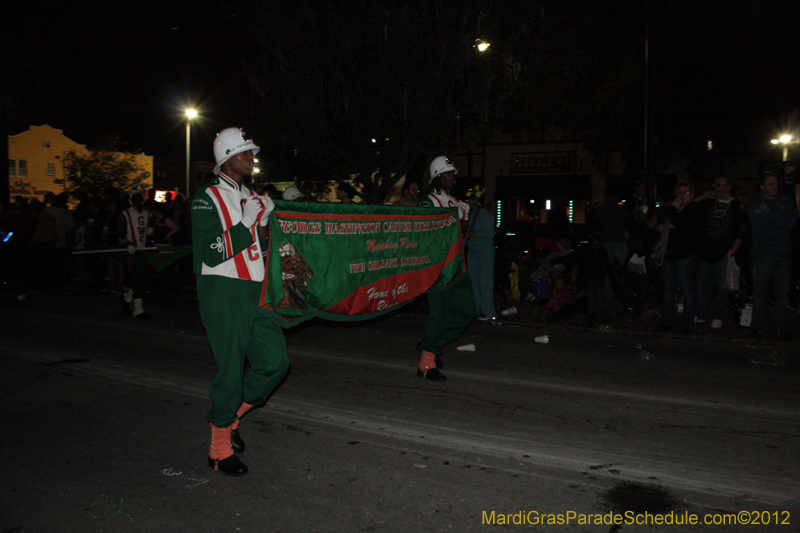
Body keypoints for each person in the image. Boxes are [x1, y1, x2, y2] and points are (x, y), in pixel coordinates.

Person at [191, 127, 288, 476]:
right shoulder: (207, 196)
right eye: (246, 153)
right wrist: (247, 224)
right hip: (224, 291)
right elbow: (210, 253)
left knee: (275, 362)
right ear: (228, 158)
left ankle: (232, 417)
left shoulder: (250, 194)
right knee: (231, 371)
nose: (252, 158)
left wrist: (262, 225)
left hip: (254, 290)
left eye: (251, 152)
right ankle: (219, 448)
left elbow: (257, 251)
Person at [415, 155, 476, 381]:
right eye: (449, 173)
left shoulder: (452, 199)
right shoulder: (428, 201)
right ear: (438, 176)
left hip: (457, 267)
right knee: (438, 317)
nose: (453, 176)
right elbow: (425, 234)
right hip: (438, 269)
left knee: (467, 310)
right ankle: (426, 363)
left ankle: (430, 343)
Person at [746, 172, 797, 339]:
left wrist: (768, 218)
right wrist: (777, 219)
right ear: (762, 187)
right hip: (762, 253)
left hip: (783, 253)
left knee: (782, 295)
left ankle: (780, 327)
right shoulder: (754, 201)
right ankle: (757, 327)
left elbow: (791, 222)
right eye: (771, 184)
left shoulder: (786, 201)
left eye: (776, 184)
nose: (775, 187)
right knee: (759, 293)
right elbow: (755, 220)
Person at [694, 176, 746, 330]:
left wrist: (735, 247)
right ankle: (701, 313)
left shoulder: (736, 206)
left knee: (723, 288)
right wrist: (703, 196)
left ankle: (717, 315)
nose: (716, 188)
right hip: (706, 252)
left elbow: (741, 229)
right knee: (702, 285)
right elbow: (691, 208)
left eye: (719, 185)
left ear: (728, 187)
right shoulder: (708, 203)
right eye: (714, 185)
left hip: (724, 253)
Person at [658, 181, 701, 334]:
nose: (682, 196)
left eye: (685, 193)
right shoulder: (675, 209)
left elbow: (680, 224)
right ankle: (667, 322)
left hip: (685, 255)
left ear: (691, 194)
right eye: (679, 193)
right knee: (668, 291)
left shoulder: (693, 208)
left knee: (687, 290)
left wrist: (672, 209)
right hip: (670, 254)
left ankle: (688, 324)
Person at [464, 185, 499, 324]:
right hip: (472, 251)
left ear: (473, 201)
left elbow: (490, 234)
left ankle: (488, 312)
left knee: (485, 282)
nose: (466, 202)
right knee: (473, 282)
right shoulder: (469, 215)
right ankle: (476, 311)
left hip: (485, 252)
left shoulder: (485, 215)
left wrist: (473, 233)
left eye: (468, 200)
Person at [119, 188, 153, 318]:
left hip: (145, 250)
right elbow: (120, 234)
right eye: (135, 197)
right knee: (138, 277)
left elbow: (150, 231)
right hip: (133, 252)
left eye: (140, 197)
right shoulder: (125, 214)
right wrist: (127, 244)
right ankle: (138, 309)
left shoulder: (148, 214)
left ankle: (127, 298)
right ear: (131, 199)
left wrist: (151, 231)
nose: (138, 200)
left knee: (146, 277)